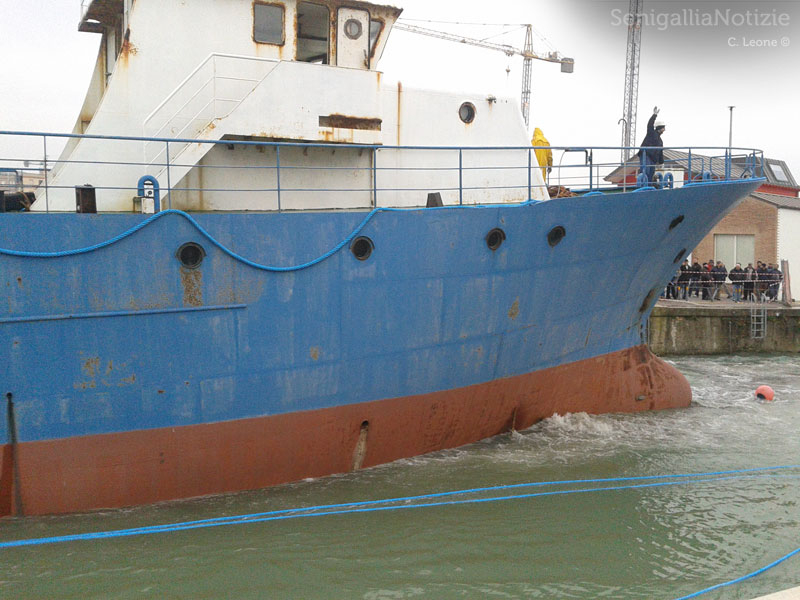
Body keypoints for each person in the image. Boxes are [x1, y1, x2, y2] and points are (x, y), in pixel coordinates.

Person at [638, 106, 665, 185]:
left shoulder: (660, 141)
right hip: (645, 154)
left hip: (652, 158)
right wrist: (654, 115)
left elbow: (660, 152)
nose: (664, 130)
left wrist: (661, 162)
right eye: (663, 128)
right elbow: (650, 125)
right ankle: (642, 186)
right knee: (645, 170)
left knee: (651, 172)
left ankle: (648, 187)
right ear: (660, 128)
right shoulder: (651, 133)